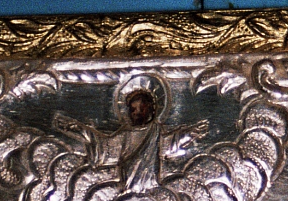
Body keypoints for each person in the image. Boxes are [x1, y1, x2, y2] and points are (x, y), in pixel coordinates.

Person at [52, 75, 209, 194]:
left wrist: (191, 133)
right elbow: (103, 146)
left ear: (153, 109)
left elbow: (171, 143)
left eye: (142, 108)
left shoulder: (155, 132)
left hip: (151, 186)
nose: (137, 113)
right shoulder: (125, 135)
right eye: (133, 109)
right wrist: (78, 129)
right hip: (128, 185)